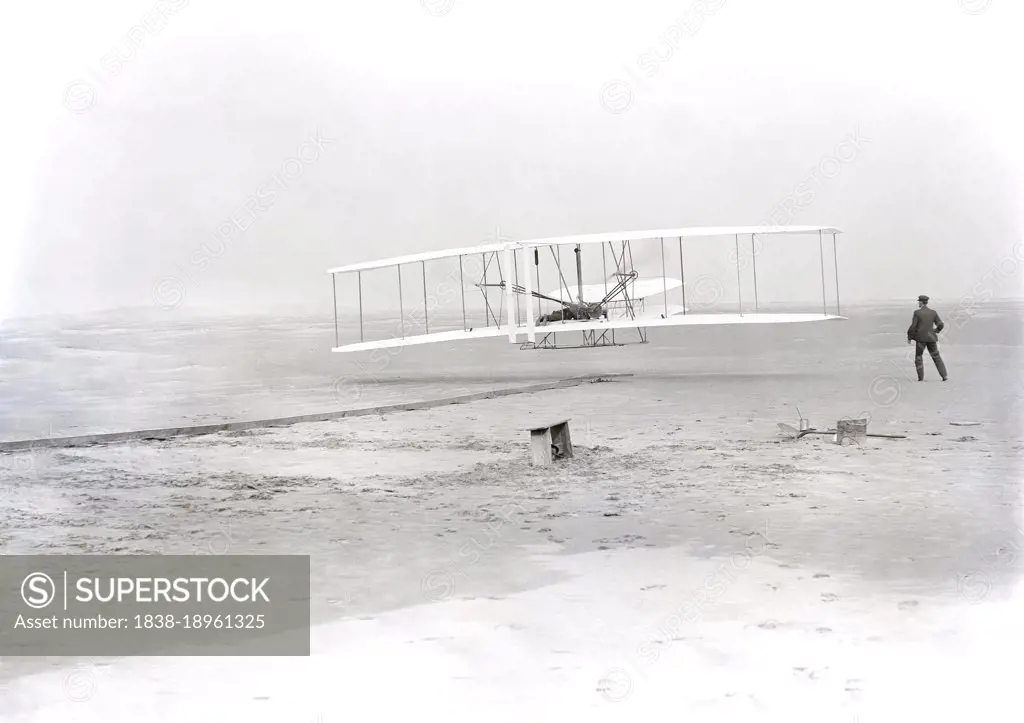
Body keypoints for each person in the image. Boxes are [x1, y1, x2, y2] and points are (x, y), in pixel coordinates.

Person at [906, 295, 948, 381]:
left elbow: (913, 326)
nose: (918, 303)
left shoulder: (917, 313)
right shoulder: (933, 312)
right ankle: (944, 376)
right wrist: (936, 331)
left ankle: (920, 378)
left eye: (919, 302)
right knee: (936, 356)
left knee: (918, 357)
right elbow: (941, 324)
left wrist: (909, 336)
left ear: (921, 302)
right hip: (931, 338)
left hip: (921, 339)